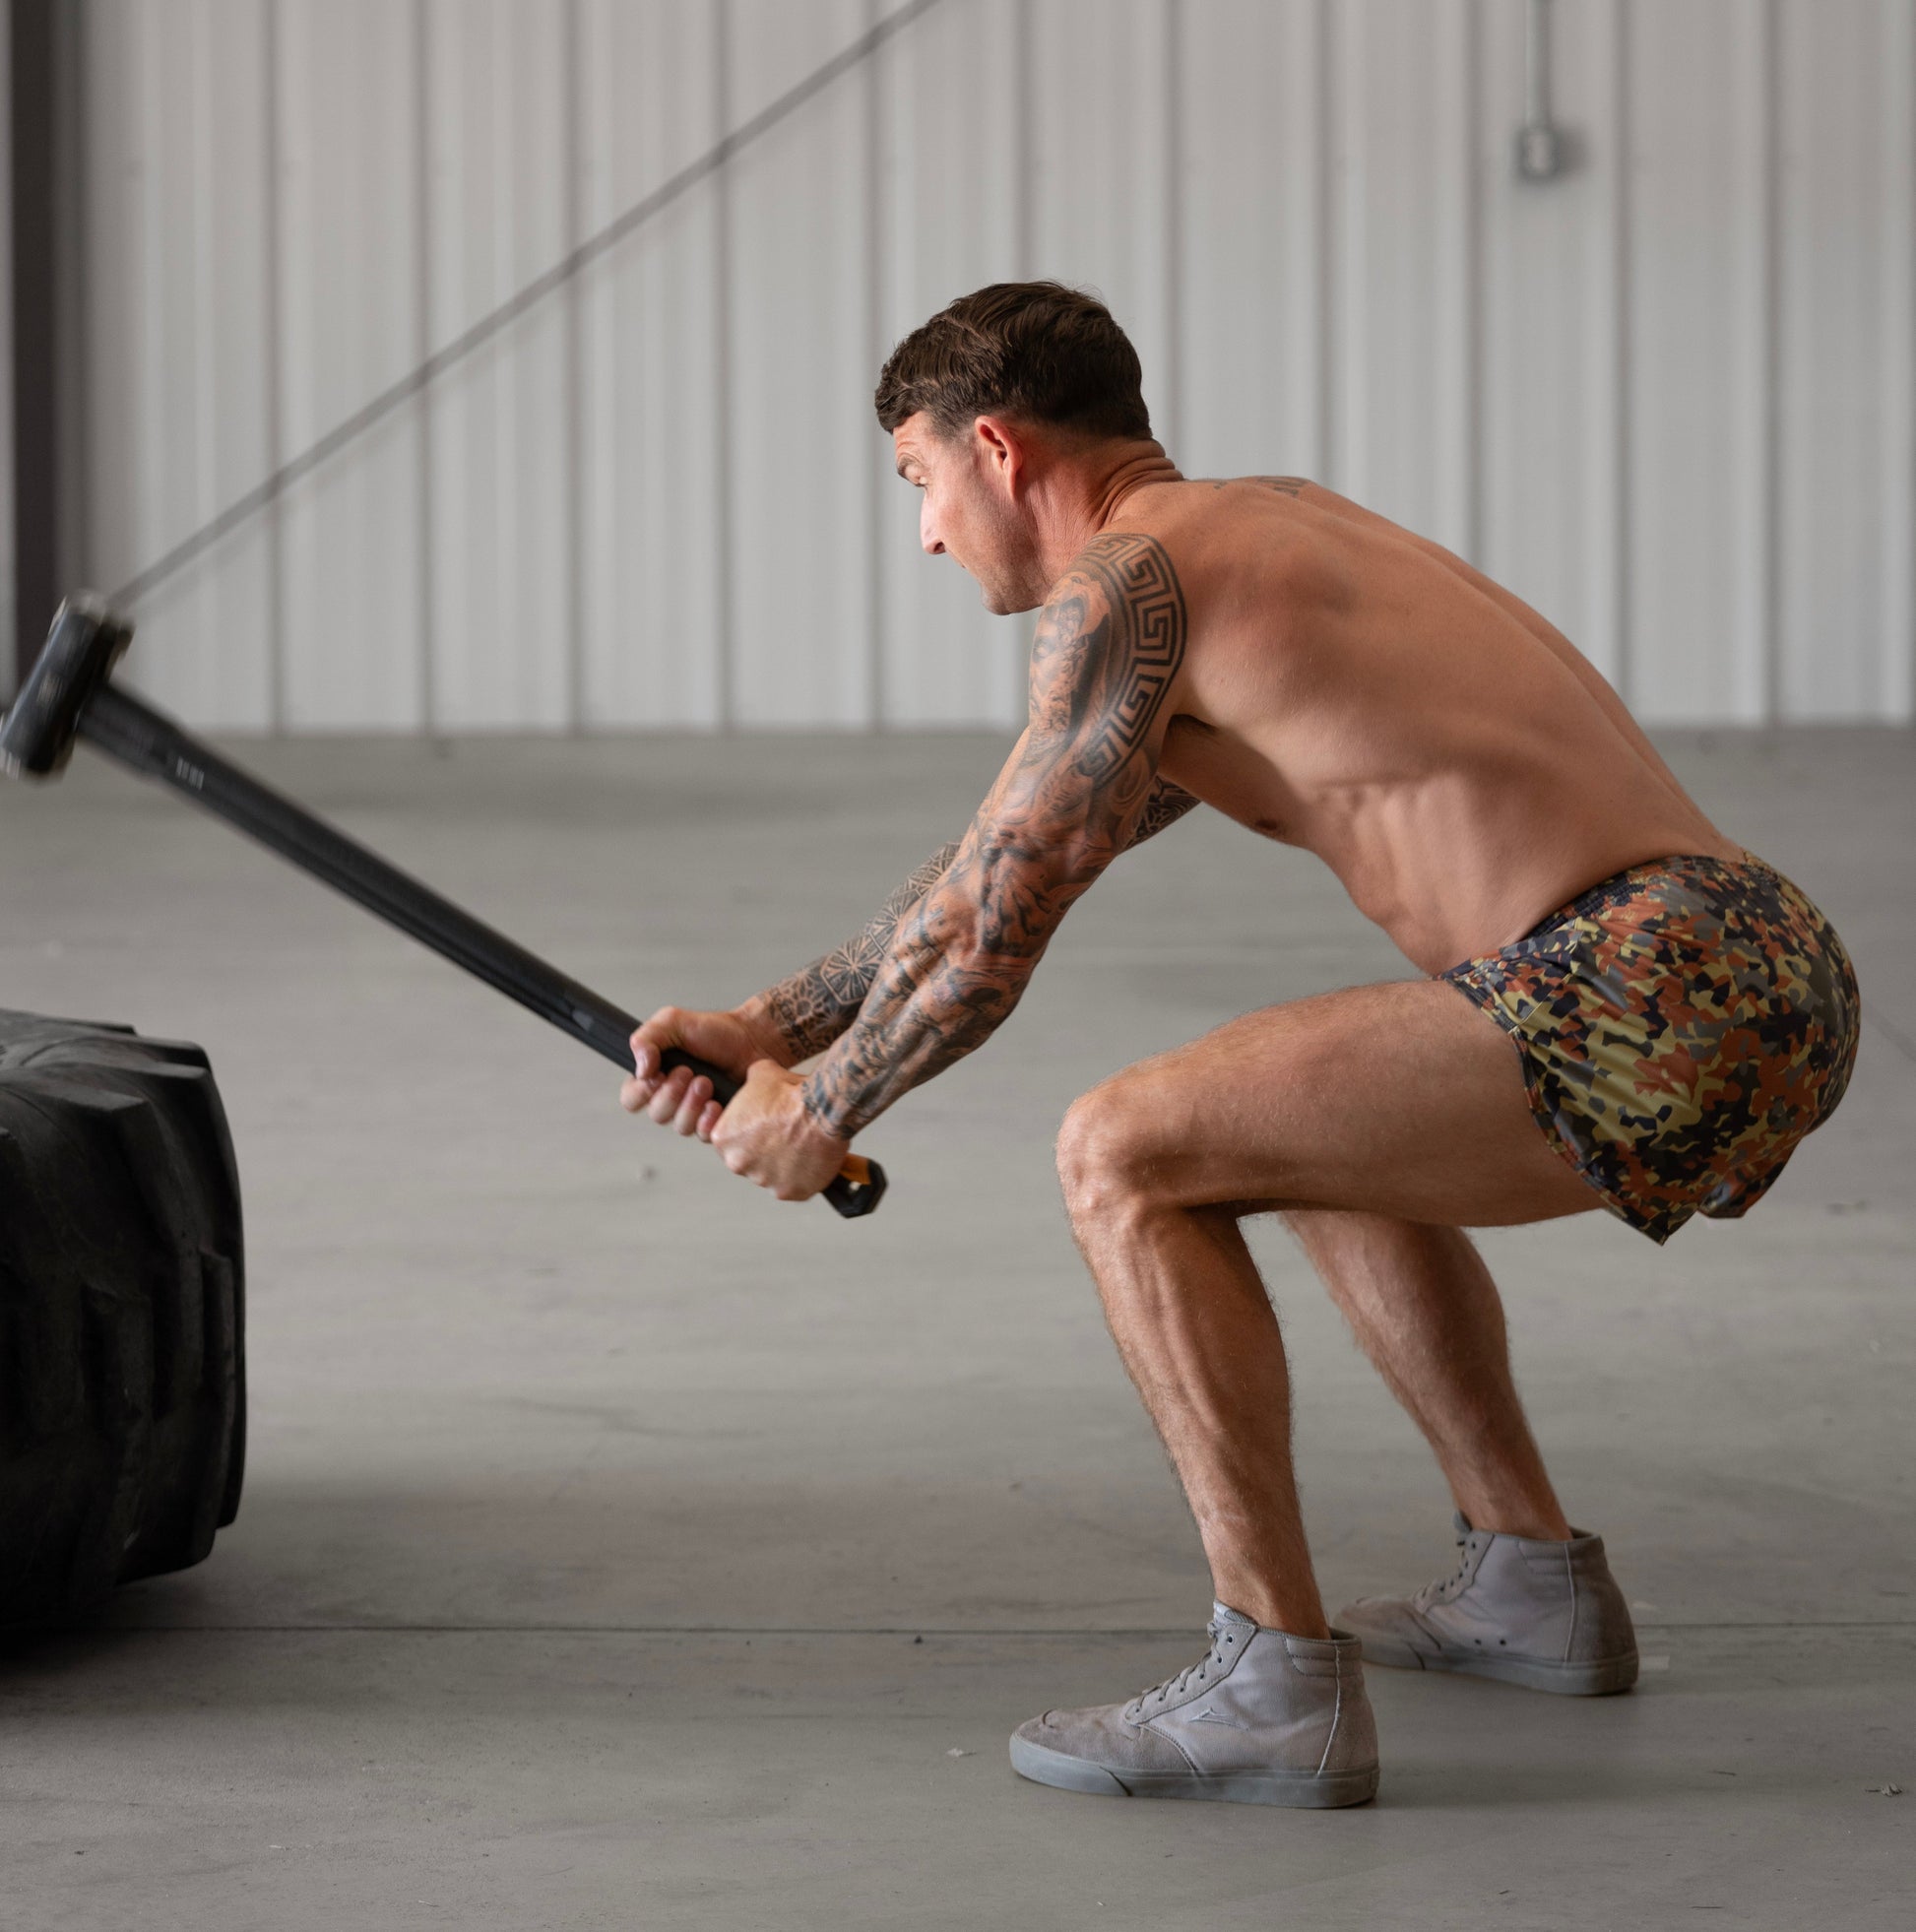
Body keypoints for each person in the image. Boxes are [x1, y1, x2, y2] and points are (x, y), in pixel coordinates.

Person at [619, 282, 1860, 1809]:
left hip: (1645, 983)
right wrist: (772, 1021)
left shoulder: (1124, 587)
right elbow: (1003, 856)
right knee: (1292, 1120)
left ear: (996, 449)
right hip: (1760, 958)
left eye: (917, 479)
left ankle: (1270, 1686)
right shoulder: (1257, 532)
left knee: (1120, 1149)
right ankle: (1529, 1581)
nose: (926, 534)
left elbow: (994, 928)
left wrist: (823, 1107)